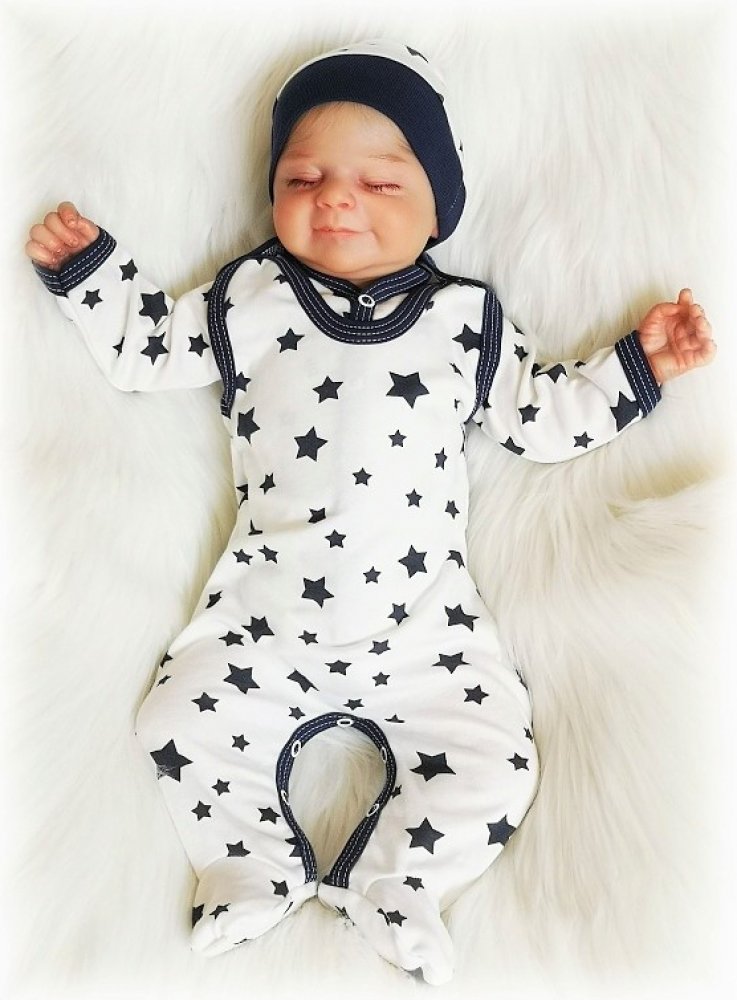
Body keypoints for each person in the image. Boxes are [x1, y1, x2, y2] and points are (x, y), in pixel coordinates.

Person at [25, 39, 715, 986]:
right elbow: (148, 353)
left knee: (495, 763)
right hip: (263, 620)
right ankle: (248, 862)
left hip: (425, 630)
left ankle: (400, 881)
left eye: (381, 183)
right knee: (178, 723)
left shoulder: (465, 321)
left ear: (437, 212)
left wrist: (640, 365)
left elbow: (540, 419)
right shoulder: (251, 295)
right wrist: (92, 274)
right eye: (302, 178)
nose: (336, 200)